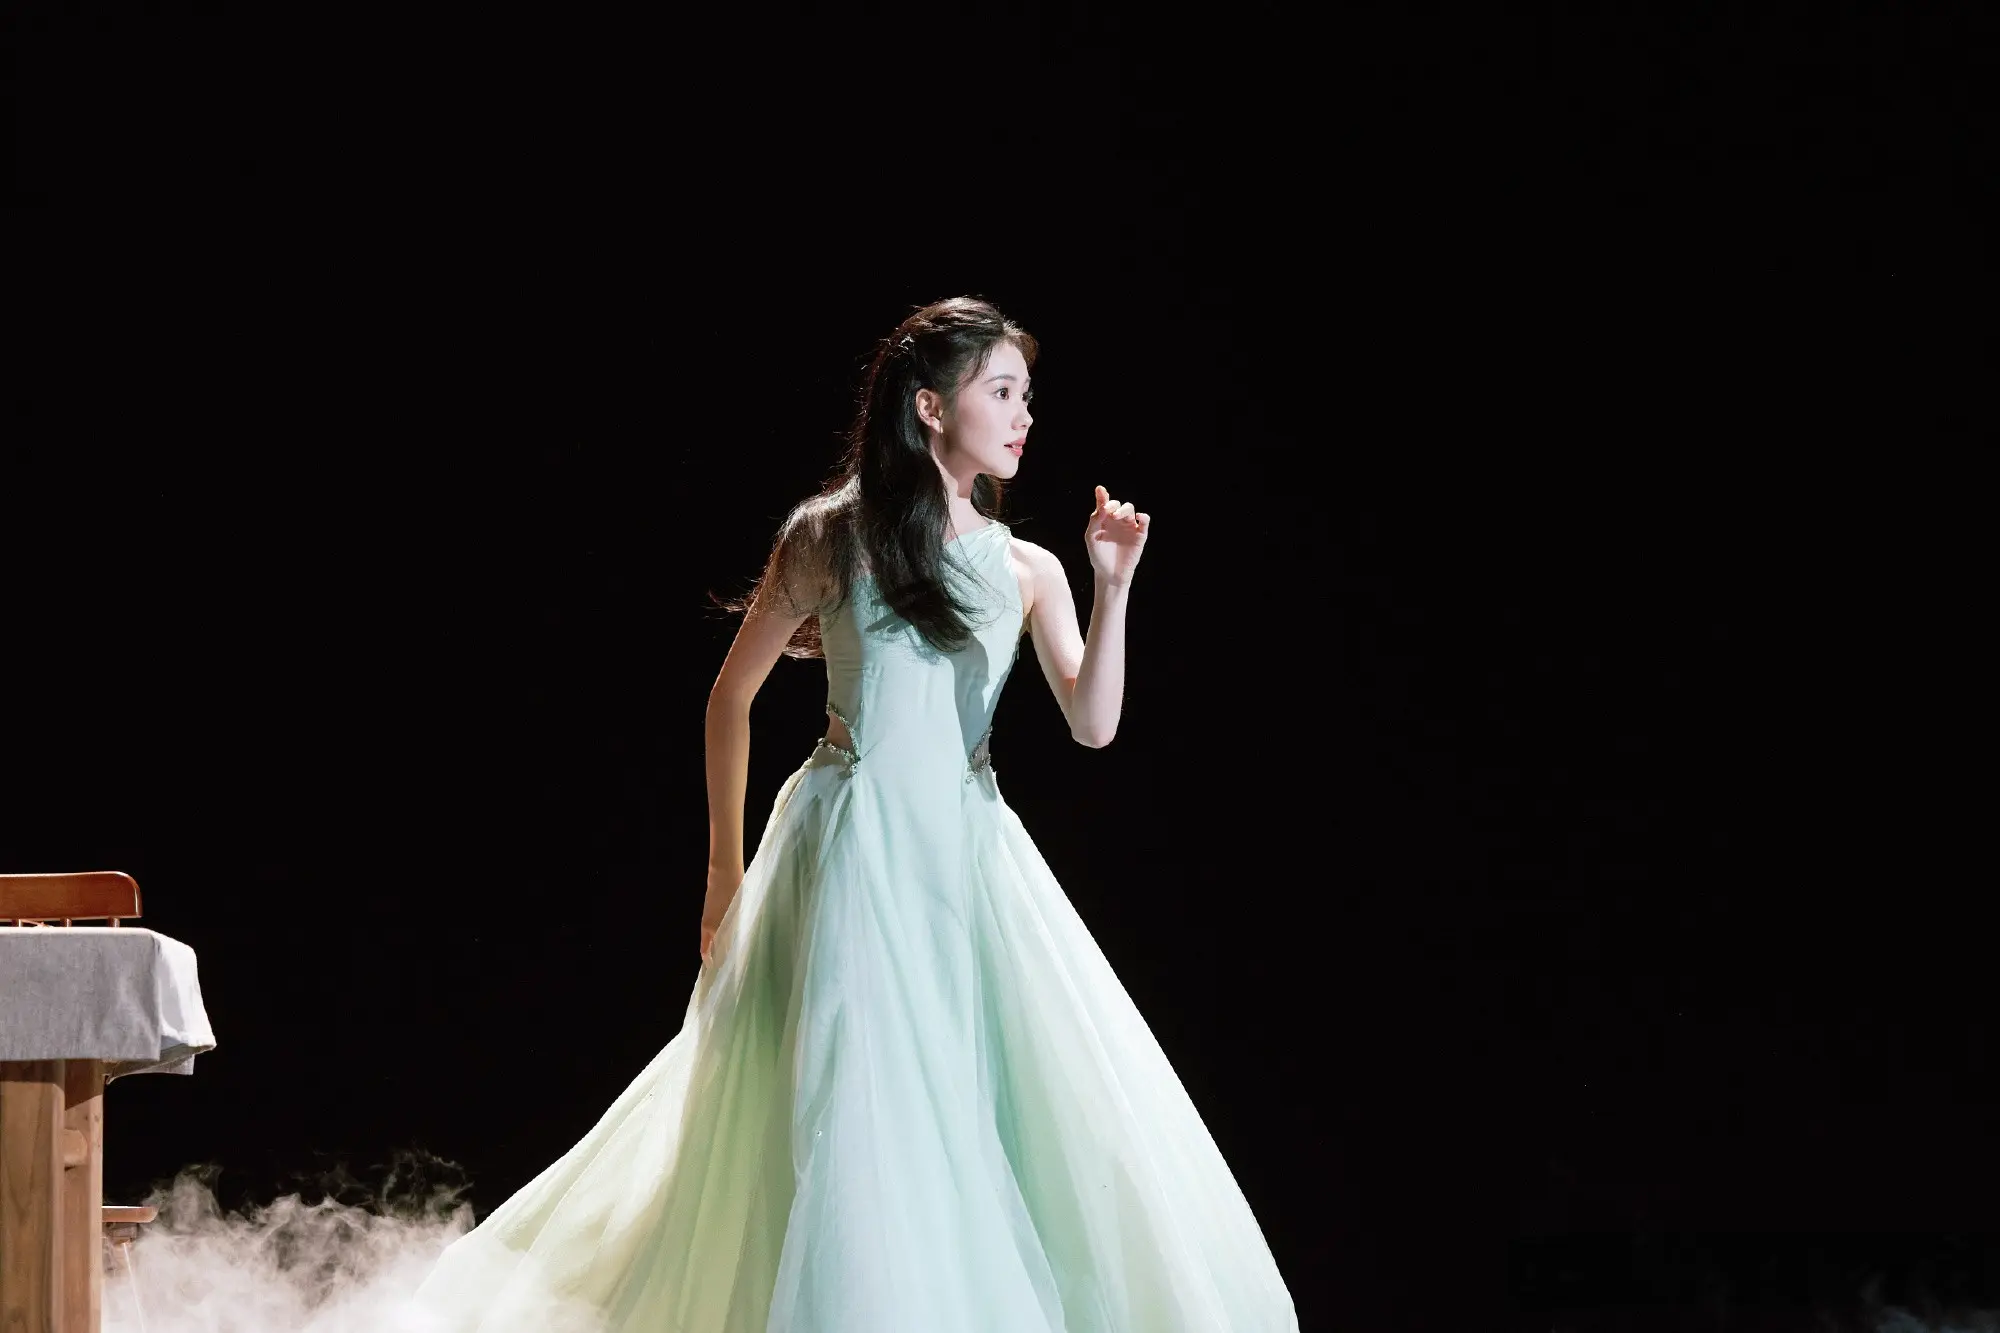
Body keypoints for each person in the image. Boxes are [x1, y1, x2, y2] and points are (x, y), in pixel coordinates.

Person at [411, 297, 1299, 1332]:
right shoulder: (832, 537)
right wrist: (724, 875)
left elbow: (1092, 725)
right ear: (930, 406)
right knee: (856, 1104)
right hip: (848, 851)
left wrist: (1113, 585)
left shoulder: (1028, 567)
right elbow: (728, 699)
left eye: (1026, 395)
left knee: (980, 1106)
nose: (1023, 416)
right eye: (1000, 392)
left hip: (964, 860)